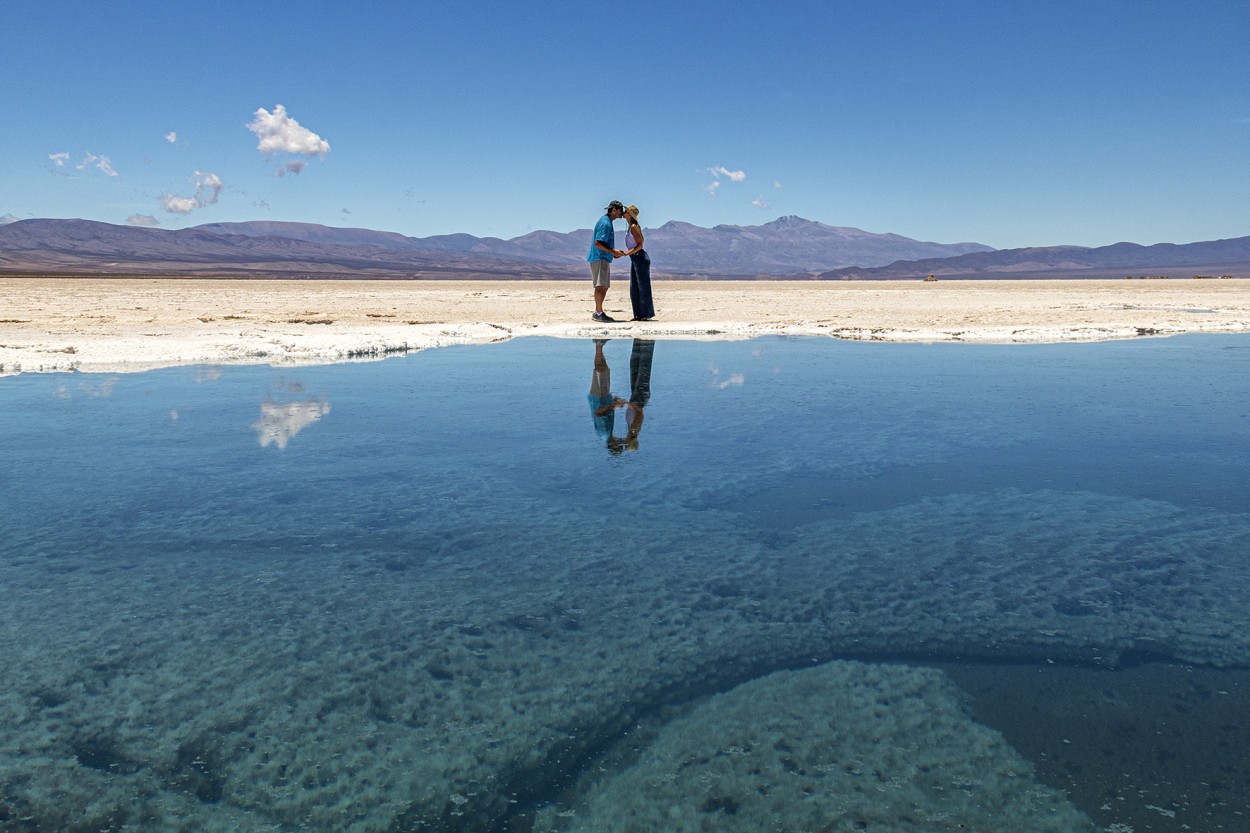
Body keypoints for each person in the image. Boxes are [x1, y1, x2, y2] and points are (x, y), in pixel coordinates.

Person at [588, 200, 627, 322]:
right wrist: (612, 251)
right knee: (600, 286)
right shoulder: (606, 223)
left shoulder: (607, 221)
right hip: (600, 257)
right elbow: (598, 243)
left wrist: (613, 253)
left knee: (603, 286)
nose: (622, 213)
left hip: (603, 257)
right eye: (620, 210)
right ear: (614, 210)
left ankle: (599, 312)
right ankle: (598, 313)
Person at [622, 205, 655, 321]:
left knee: (643, 287)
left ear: (630, 215)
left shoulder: (634, 227)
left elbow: (640, 244)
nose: (623, 213)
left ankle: (646, 314)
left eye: (625, 212)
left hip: (639, 257)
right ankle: (638, 314)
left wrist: (626, 253)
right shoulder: (631, 227)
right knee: (635, 287)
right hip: (635, 258)